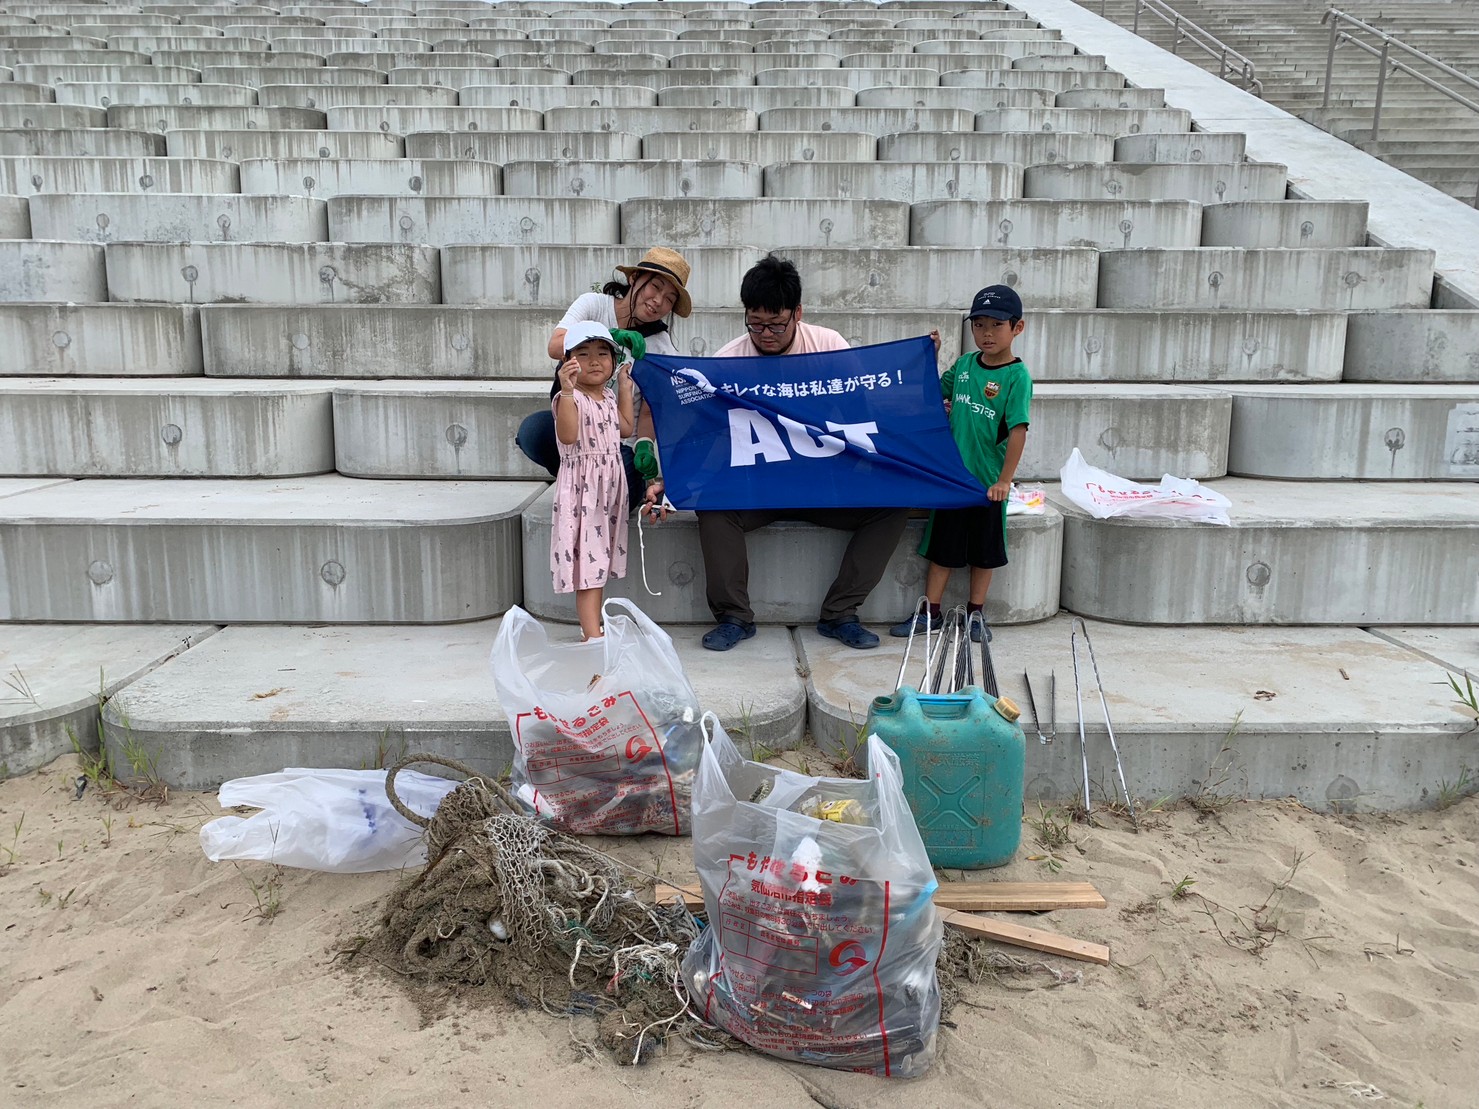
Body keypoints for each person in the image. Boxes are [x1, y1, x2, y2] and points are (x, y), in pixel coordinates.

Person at [648, 253, 911, 653]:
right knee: (713, 506)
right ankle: (734, 617)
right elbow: (703, 437)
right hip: (759, 488)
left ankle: (840, 613)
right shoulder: (728, 362)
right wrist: (672, 483)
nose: (765, 334)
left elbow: (863, 417)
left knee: (893, 505)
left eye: (776, 324)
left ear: (797, 314)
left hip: (822, 483)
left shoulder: (828, 347)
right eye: (755, 323)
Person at [890, 285, 1033, 643]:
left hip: (987, 484)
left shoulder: (1017, 377)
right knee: (943, 551)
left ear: (1017, 328)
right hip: (953, 481)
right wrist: (933, 355)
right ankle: (930, 613)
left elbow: (1018, 430)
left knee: (984, 555)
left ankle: (975, 614)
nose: (986, 333)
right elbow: (935, 393)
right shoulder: (966, 365)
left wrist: (1004, 481)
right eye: (979, 325)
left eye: (996, 325)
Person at [516, 247, 692, 511]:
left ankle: (588, 485)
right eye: (655, 287)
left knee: (619, 485)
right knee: (534, 431)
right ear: (634, 278)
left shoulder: (661, 346)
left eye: (669, 299)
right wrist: (607, 337)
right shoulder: (594, 305)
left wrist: (644, 446)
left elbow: (648, 410)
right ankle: (581, 479)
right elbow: (555, 346)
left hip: (619, 444)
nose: (658, 301)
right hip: (577, 429)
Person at [551, 322, 635, 641]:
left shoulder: (608, 396)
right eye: (583, 354)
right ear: (567, 362)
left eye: (603, 353)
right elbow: (567, 435)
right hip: (582, 492)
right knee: (590, 564)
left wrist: (624, 387)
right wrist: (567, 390)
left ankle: (593, 628)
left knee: (597, 561)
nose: (595, 361)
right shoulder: (569, 398)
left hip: (608, 490)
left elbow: (625, 428)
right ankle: (591, 635)